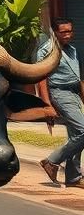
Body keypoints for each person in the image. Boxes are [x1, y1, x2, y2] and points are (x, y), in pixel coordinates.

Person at [39, 18, 84, 188]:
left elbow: (78, 77)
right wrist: (47, 104)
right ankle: (52, 161)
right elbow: (41, 79)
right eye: (63, 32)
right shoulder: (46, 51)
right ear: (55, 32)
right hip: (59, 93)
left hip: (74, 94)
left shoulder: (72, 50)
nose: (67, 35)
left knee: (76, 135)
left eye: (69, 31)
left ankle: (73, 177)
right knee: (83, 131)